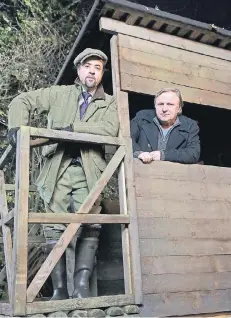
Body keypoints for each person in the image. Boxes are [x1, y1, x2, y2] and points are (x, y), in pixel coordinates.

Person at [7, 48, 119, 299]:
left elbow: (110, 128)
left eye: (98, 67)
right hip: (56, 169)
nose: (92, 71)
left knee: (91, 224)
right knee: (53, 227)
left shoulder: (110, 102)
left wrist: (72, 129)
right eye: (87, 66)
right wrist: (16, 128)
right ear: (78, 70)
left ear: (102, 74)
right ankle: (59, 290)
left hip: (90, 172)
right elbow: (21, 101)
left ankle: (80, 289)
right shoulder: (59, 94)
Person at [130, 88, 200, 164]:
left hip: (173, 174)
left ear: (179, 108)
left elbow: (193, 153)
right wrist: (139, 153)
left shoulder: (190, 125)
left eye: (170, 104)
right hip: (140, 171)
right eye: (160, 104)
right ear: (155, 106)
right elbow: (127, 138)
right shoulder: (142, 117)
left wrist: (164, 155)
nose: (164, 109)